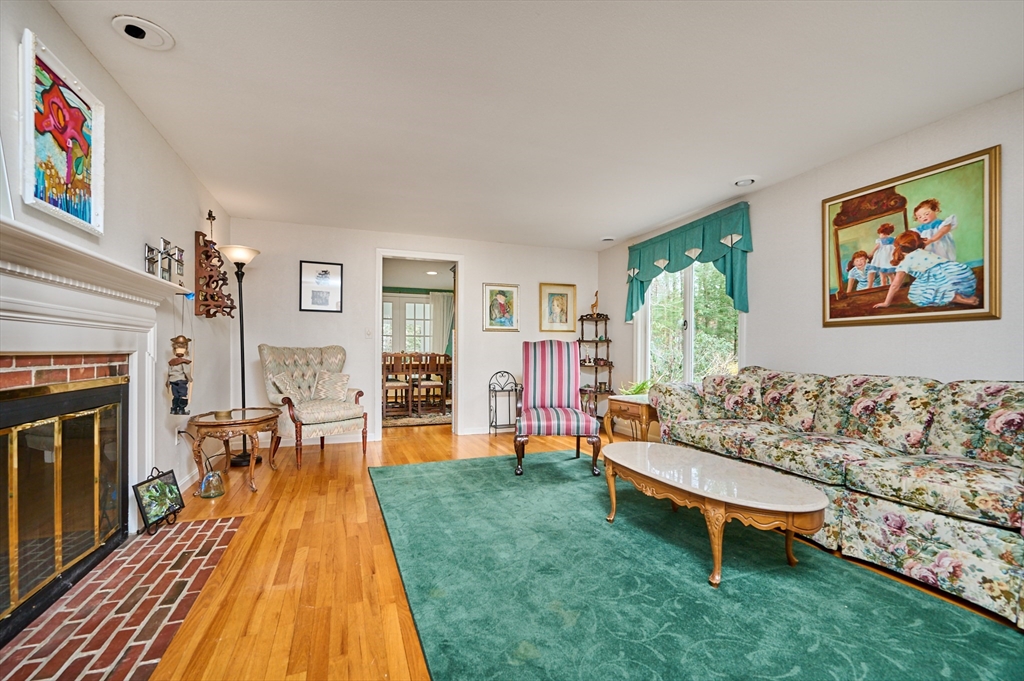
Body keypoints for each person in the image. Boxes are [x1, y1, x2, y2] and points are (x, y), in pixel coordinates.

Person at [873, 230, 978, 309]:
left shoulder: (904, 263)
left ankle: (955, 298)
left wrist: (886, 302)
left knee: (918, 294)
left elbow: (895, 285)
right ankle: (957, 295)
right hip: (957, 272)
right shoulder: (922, 252)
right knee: (945, 283)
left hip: (938, 277)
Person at [168, 335, 193, 415]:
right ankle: (181, 409)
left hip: (173, 380)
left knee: (175, 395)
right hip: (181, 380)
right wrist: (190, 379)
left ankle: (174, 409)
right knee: (182, 395)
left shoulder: (172, 362)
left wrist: (168, 381)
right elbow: (186, 371)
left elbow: (169, 372)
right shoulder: (184, 362)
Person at [866, 223, 897, 288]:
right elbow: (876, 247)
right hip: (882, 258)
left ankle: (893, 285)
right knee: (883, 273)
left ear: (887, 234)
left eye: (882, 234)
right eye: (880, 234)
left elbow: (896, 247)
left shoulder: (893, 239)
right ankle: (884, 285)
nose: (880, 235)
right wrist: (872, 252)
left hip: (888, 258)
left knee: (890, 273)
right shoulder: (881, 241)